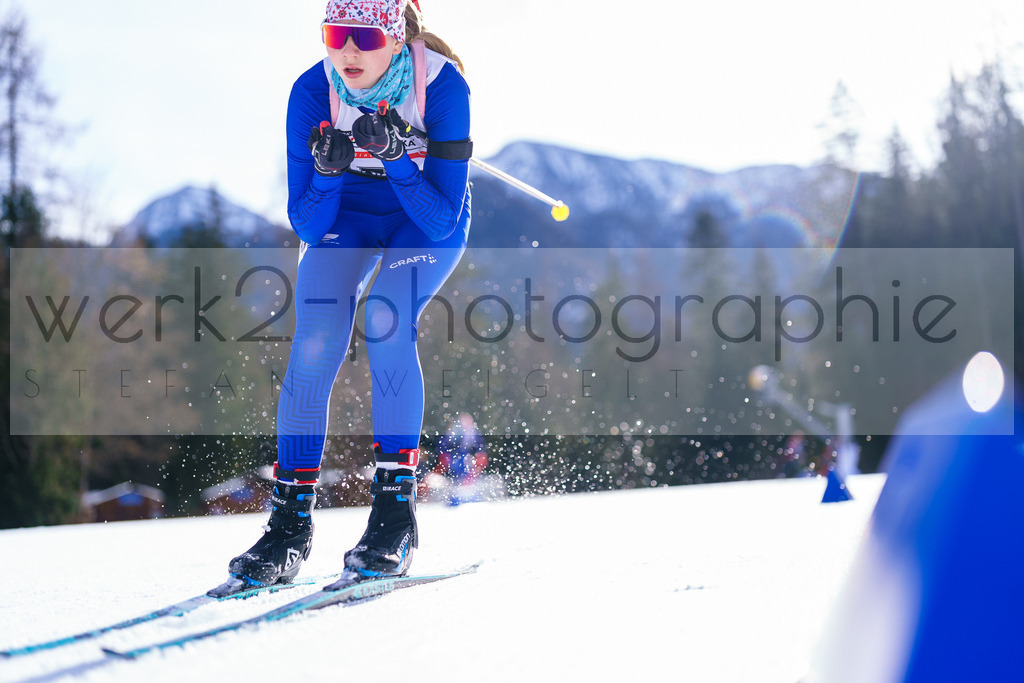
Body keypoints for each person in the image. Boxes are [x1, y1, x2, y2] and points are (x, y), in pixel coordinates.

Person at [228, 0, 472, 584]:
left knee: (387, 317)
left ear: (395, 36)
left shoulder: (442, 86)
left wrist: (397, 161)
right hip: (349, 217)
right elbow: (309, 226)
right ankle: (290, 524)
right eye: (335, 34)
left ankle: (393, 516)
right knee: (314, 342)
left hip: (423, 219)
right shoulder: (313, 91)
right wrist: (329, 172)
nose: (348, 51)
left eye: (364, 36)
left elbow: (440, 219)